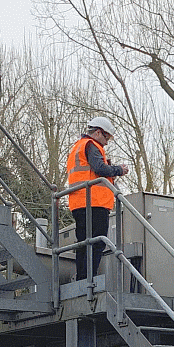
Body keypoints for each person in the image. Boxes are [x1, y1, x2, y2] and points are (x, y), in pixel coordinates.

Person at [65, 116, 128, 277]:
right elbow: (100, 168)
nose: (107, 142)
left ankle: (83, 279)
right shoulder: (91, 145)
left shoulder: (77, 147)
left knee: (85, 243)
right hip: (95, 202)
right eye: (106, 137)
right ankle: (88, 280)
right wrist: (118, 169)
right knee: (97, 242)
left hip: (79, 202)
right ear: (99, 133)